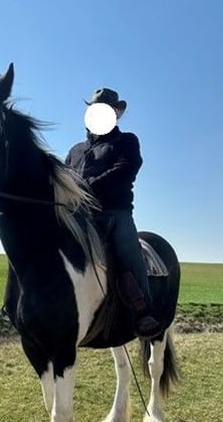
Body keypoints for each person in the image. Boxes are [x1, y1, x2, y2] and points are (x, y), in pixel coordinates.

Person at [65, 87, 162, 339]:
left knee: (126, 248)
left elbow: (125, 169)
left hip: (113, 212)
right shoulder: (75, 151)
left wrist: (85, 188)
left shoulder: (126, 141)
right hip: (76, 214)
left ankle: (143, 311)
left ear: (116, 113)